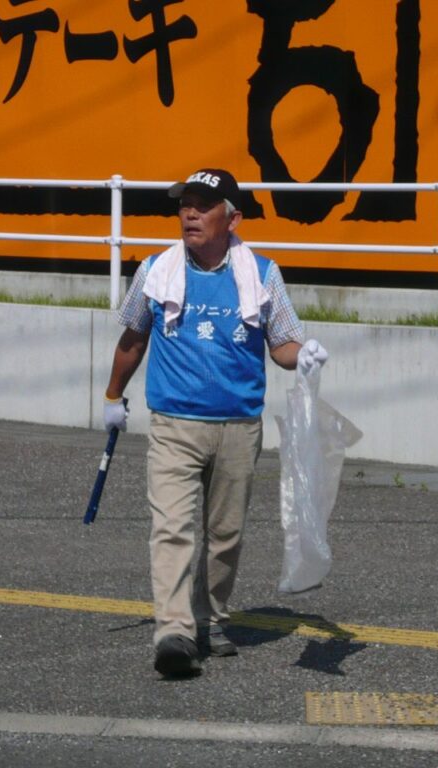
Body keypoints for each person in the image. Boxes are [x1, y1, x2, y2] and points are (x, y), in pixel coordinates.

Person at [103, 168, 329, 678]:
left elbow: (282, 343)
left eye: (203, 205)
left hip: (239, 426)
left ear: (233, 219)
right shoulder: (155, 270)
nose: (189, 213)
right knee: (173, 528)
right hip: (174, 425)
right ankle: (174, 632)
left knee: (225, 534)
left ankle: (209, 617)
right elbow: (133, 338)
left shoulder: (262, 273)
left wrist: (304, 354)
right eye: (185, 204)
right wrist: (113, 396)